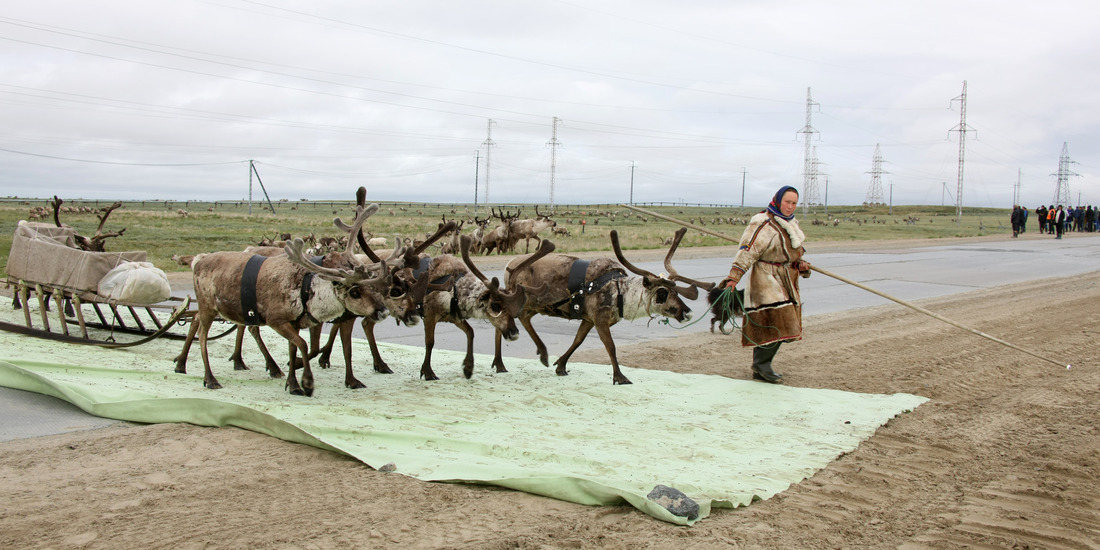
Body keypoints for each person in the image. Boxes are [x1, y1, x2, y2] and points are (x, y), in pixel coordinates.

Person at [719, 185, 811, 383]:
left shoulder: (790, 224)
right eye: (787, 202)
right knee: (777, 321)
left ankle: (760, 367)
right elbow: (748, 251)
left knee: (780, 323)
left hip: (785, 278)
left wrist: (800, 265)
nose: (790, 206)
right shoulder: (763, 223)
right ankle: (761, 365)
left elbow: (793, 253)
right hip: (766, 278)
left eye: (794, 203)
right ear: (778, 200)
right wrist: (734, 277)